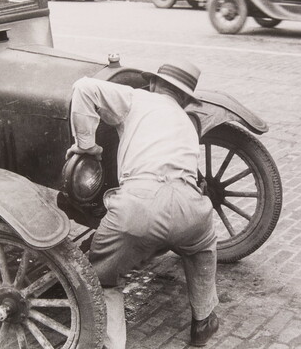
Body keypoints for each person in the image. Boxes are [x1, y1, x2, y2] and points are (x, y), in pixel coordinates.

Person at [66, 60, 219, 348]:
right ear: (185, 99)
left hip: (140, 207)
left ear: (152, 84)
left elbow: (84, 87)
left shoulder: (138, 97)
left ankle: (113, 344)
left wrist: (87, 146)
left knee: (101, 276)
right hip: (192, 208)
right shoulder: (187, 122)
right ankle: (204, 319)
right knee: (201, 249)